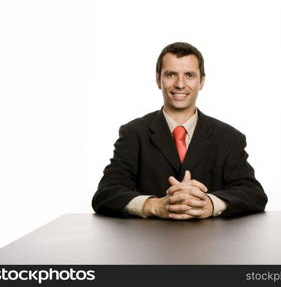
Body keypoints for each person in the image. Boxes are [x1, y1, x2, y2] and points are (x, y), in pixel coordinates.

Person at [92, 42, 268, 219]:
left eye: (189, 75)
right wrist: (153, 205)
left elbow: (253, 193)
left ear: (202, 81)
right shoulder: (133, 134)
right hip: (148, 243)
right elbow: (106, 193)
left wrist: (210, 204)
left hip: (212, 243)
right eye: (171, 75)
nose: (180, 84)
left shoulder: (229, 138)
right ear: (158, 79)